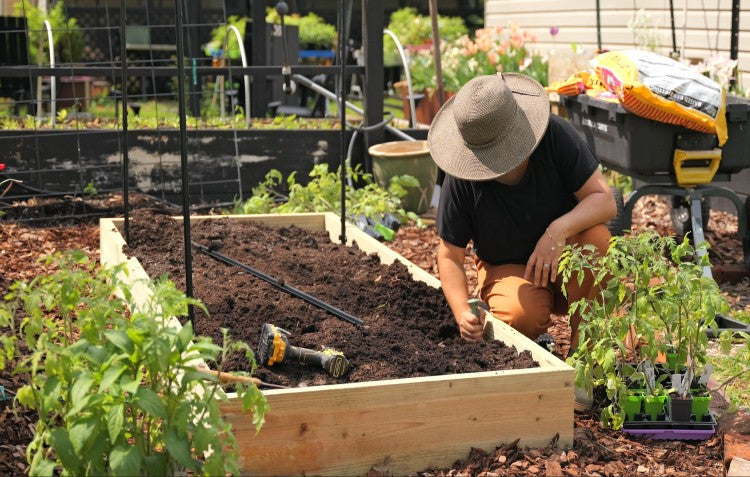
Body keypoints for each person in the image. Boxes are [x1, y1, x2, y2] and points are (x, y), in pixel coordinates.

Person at [428, 73, 616, 354]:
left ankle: (585, 352)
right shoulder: (462, 175)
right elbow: (450, 255)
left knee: (598, 239)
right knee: (519, 316)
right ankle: (532, 344)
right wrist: (461, 312)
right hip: (509, 268)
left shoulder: (554, 136)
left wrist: (557, 231)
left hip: (566, 258)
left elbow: (604, 200)